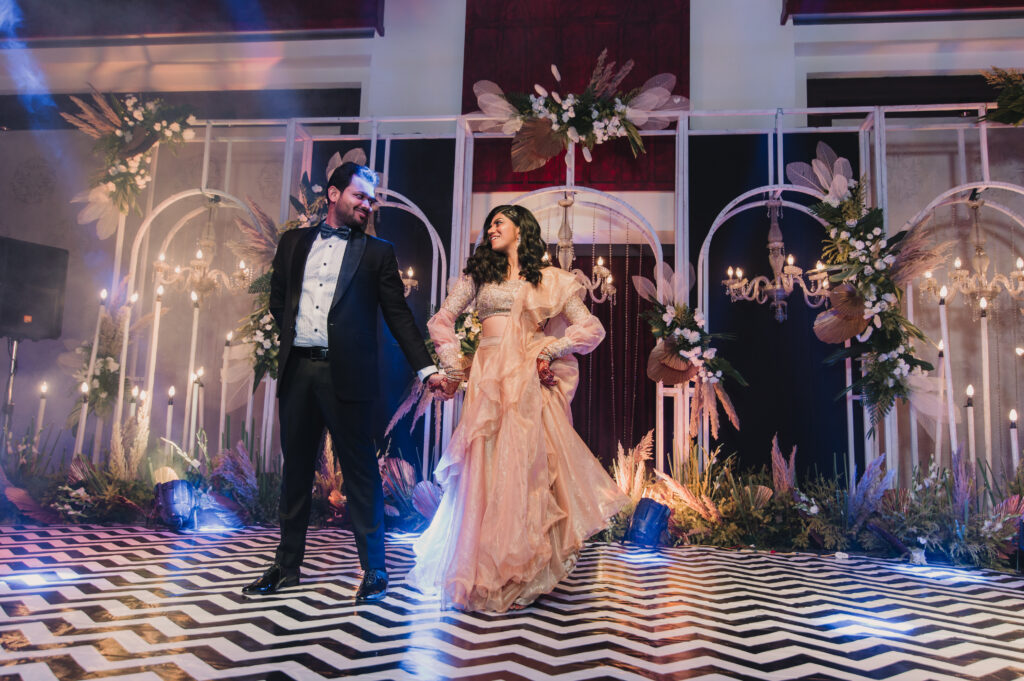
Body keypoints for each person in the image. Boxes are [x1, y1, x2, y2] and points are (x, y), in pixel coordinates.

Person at [408, 204, 628, 612]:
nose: (491, 229)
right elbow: (442, 320)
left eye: (499, 223)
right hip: (488, 378)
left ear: (521, 232)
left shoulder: (548, 280)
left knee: (522, 468)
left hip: (526, 379)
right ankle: (482, 571)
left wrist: (552, 348)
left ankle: (521, 570)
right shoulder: (478, 276)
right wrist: (455, 365)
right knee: (485, 469)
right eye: (489, 223)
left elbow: (590, 327)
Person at [243, 162, 447, 602]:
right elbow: (280, 301)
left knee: (359, 476)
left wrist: (426, 368)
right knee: (295, 471)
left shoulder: (377, 252)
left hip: (347, 376)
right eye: (360, 196)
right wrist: (299, 339)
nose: (367, 205)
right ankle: (285, 566)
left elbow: (399, 317)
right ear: (333, 195)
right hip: (299, 372)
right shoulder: (293, 243)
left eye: (371, 199)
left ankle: (374, 571)